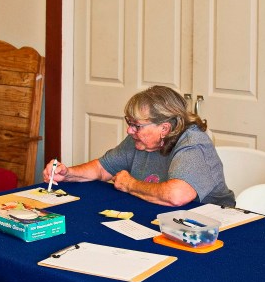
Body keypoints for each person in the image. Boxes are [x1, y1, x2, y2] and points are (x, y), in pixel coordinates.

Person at [42, 86, 235, 207]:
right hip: (165, 220)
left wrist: (130, 184)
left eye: (137, 126)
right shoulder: (140, 141)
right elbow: (102, 168)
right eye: (130, 123)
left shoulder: (193, 143)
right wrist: (68, 173)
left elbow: (177, 196)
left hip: (213, 228)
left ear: (164, 128)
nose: (129, 131)